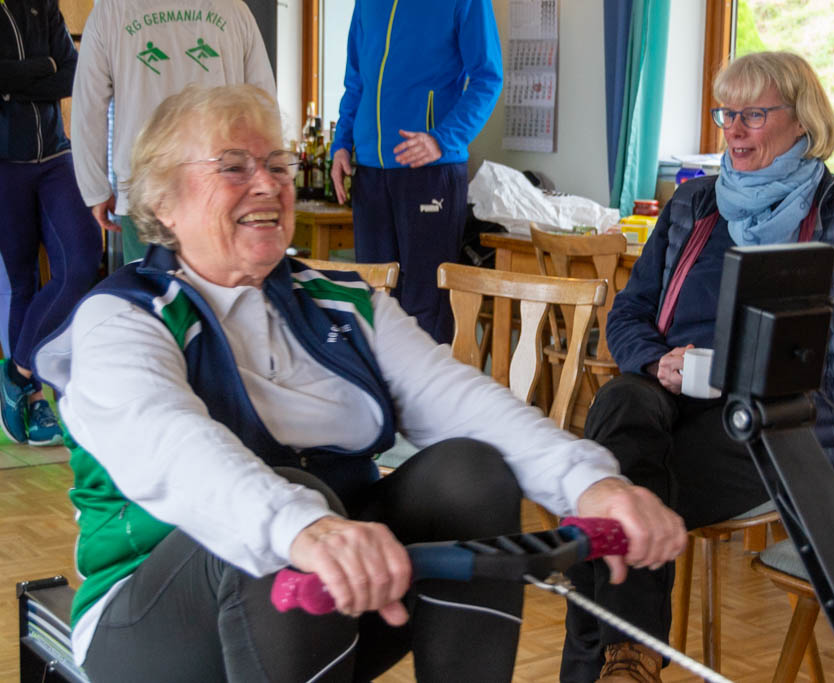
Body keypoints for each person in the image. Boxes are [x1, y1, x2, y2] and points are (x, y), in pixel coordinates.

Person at [33, 83, 686, 682]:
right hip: (155, 631)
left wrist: (589, 482)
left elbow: (454, 397)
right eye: (234, 167)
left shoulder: (341, 299)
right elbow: (168, 441)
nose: (267, 184)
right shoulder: (121, 314)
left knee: (470, 470)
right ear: (161, 202)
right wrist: (300, 525)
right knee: (297, 497)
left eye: (279, 166)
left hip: (328, 599)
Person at [559, 51, 834, 683]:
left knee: (603, 482)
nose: (732, 129)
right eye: (726, 113)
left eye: (752, 115)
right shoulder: (693, 205)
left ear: (802, 122)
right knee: (621, 410)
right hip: (673, 407)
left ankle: (620, 662)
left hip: (786, 433)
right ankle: (630, 660)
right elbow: (628, 314)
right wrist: (659, 360)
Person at [329, 0, 502, 344]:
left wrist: (443, 139)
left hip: (430, 171)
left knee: (426, 307)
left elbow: (487, 78)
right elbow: (356, 81)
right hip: (370, 174)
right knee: (374, 300)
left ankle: (428, 398)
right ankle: (382, 397)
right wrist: (341, 144)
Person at [70, 0, 275, 265]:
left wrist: (95, 190)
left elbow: (88, 108)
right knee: (220, 297)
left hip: (146, 185)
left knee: (150, 298)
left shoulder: (111, 10)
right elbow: (263, 104)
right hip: (221, 182)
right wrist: (267, 179)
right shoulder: (234, 9)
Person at [0, 0, 103, 446]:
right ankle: (35, 397)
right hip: (5, 163)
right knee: (23, 282)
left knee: (82, 261)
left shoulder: (45, 4)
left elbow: (71, 72)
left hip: (57, 157)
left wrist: (19, 79)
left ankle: (18, 371)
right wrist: (41, 68)